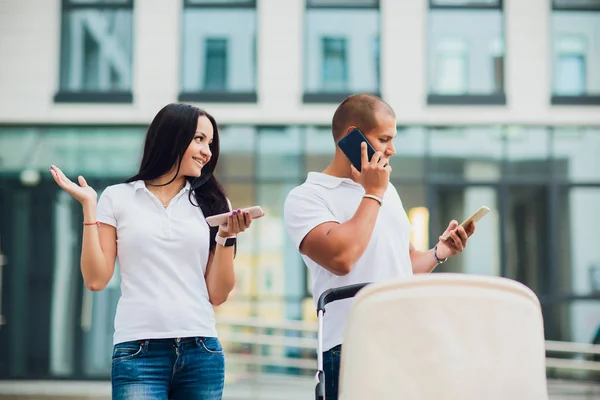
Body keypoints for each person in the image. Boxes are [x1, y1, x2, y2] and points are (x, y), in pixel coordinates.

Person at [50, 103, 253, 400]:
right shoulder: (117, 198)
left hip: (202, 350)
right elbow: (96, 279)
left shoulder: (212, 201)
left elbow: (218, 294)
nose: (207, 151)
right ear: (171, 138)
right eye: (199, 139)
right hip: (139, 351)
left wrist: (227, 236)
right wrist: (89, 208)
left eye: (210, 143)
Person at [283, 94, 475, 400]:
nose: (392, 150)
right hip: (351, 345)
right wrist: (372, 193)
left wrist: (440, 252)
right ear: (351, 138)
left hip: (404, 339)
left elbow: (403, 265)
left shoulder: (388, 190)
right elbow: (342, 258)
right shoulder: (307, 197)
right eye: (384, 139)